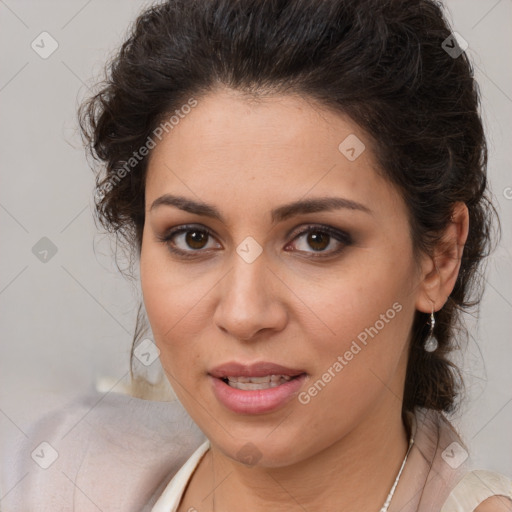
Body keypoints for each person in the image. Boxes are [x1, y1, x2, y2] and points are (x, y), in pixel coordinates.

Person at [4, 0, 512, 511]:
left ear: (440, 258)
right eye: (194, 238)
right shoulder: (53, 481)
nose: (244, 314)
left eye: (317, 239)